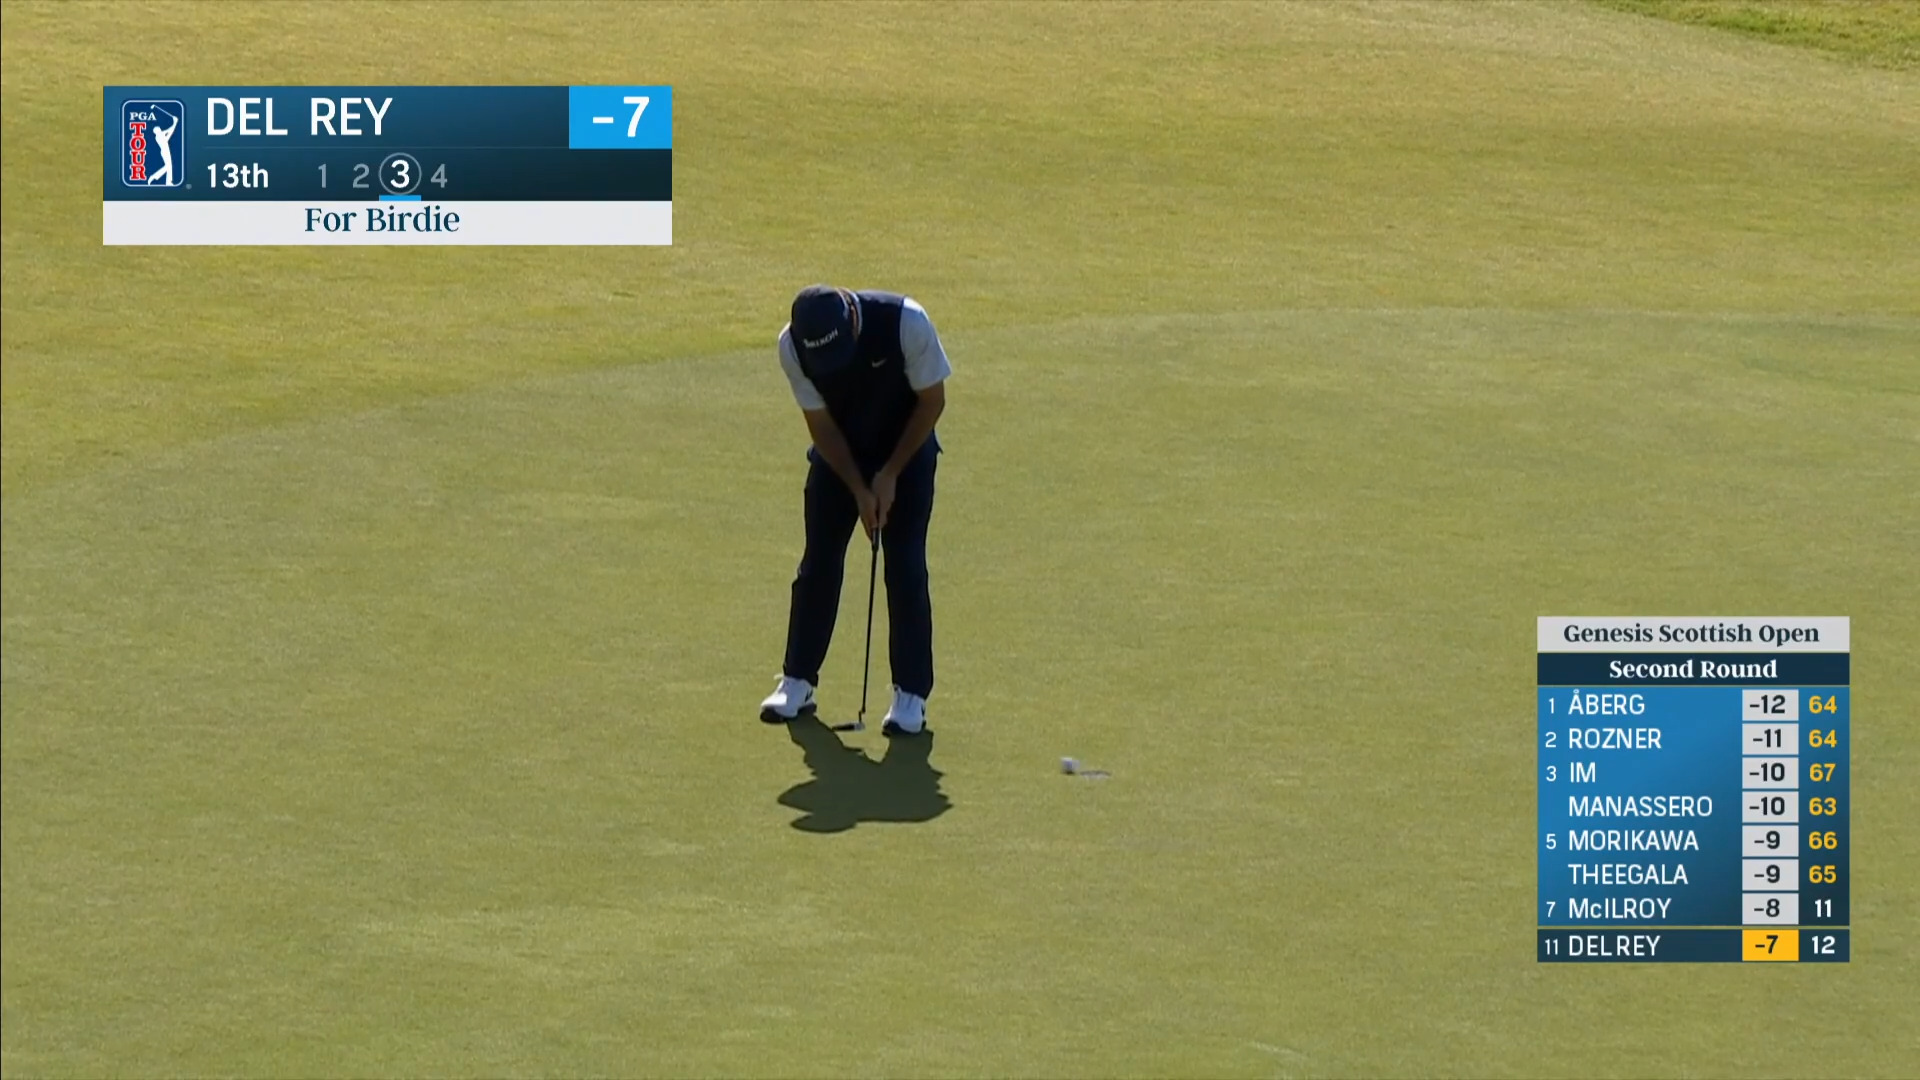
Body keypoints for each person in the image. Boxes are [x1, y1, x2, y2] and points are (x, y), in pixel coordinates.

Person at [759, 285, 950, 736]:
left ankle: (910, 696)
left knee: (905, 567)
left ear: (852, 319)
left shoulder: (906, 323)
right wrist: (859, 489)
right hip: (840, 453)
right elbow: (821, 426)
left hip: (908, 449)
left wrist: (889, 474)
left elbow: (932, 401)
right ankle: (797, 680)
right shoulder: (792, 348)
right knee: (818, 562)